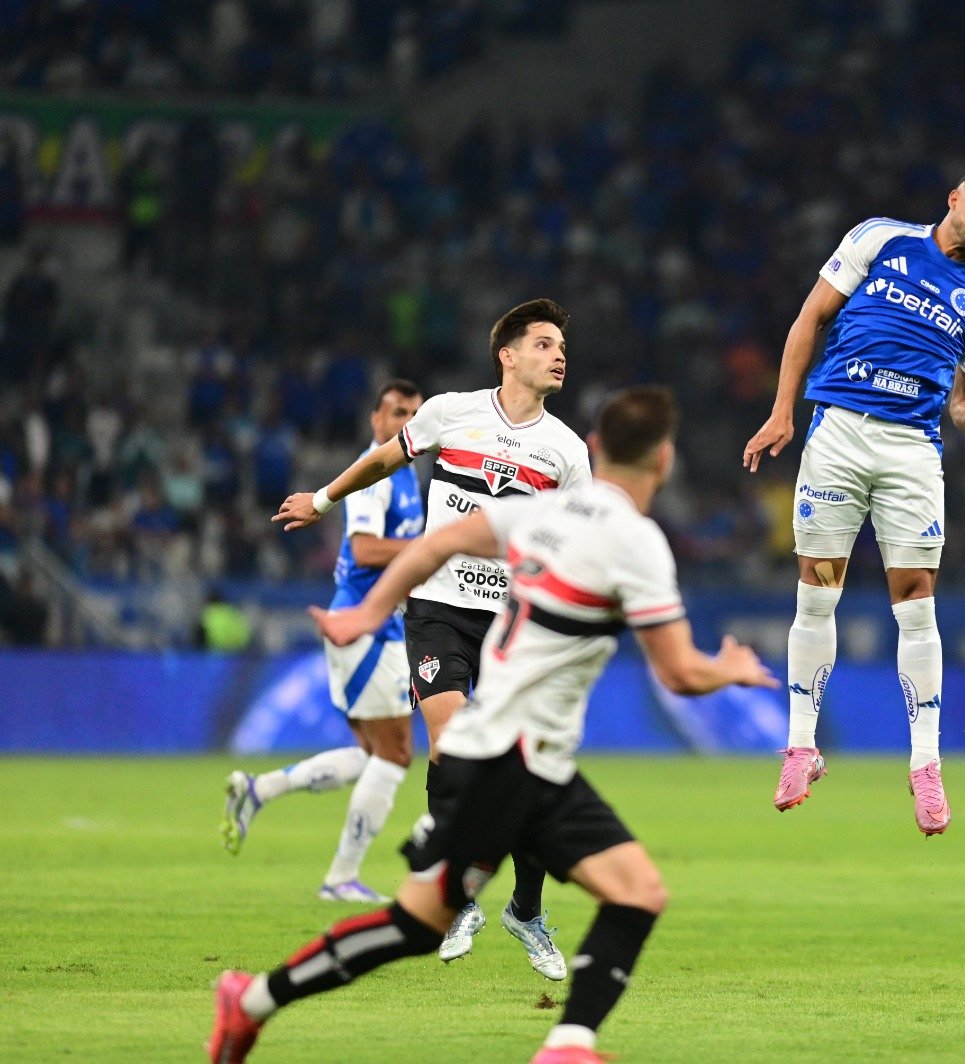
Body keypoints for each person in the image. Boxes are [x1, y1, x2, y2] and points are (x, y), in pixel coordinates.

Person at [209, 386, 777, 1064]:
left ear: (594, 449)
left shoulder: (540, 513)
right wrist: (731, 668)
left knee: (612, 896)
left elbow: (433, 545)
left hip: (523, 763)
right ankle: (564, 1039)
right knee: (600, 902)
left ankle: (252, 1003)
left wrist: (367, 615)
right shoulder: (639, 544)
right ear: (664, 459)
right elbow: (680, 673)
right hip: (511, 761)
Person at [273, 299, 587, 974]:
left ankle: (525, 911)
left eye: (562, 345)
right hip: (439, 609)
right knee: (453, 743)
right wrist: (322, 501)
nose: (560, 354)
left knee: (526, 767)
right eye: (544, 343)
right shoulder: (450, 411)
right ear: (507, 355)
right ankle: (460, 895)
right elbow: (383, 461)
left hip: (516, 623)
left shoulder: (568, 452)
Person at [741, 169, 965, 835]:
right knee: (816, 593)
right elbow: (811, 315)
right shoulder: (880, 238)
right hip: (837, 428)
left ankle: (925, 765)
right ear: (955, 196)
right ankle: (802, 747)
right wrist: (783, 411)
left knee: (916, 602)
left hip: (911, 453)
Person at [221, 380, 425, 903]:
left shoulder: (403, 475)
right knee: (397, 754)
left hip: (375, 627)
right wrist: (433, 548)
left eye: (415, 414)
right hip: (368, 628)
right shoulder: (377, 474)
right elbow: (364, 549)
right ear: (375, 417)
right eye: (397, 411)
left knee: (370, 751)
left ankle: (258, 789)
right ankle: (339, 879)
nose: (406, 422)